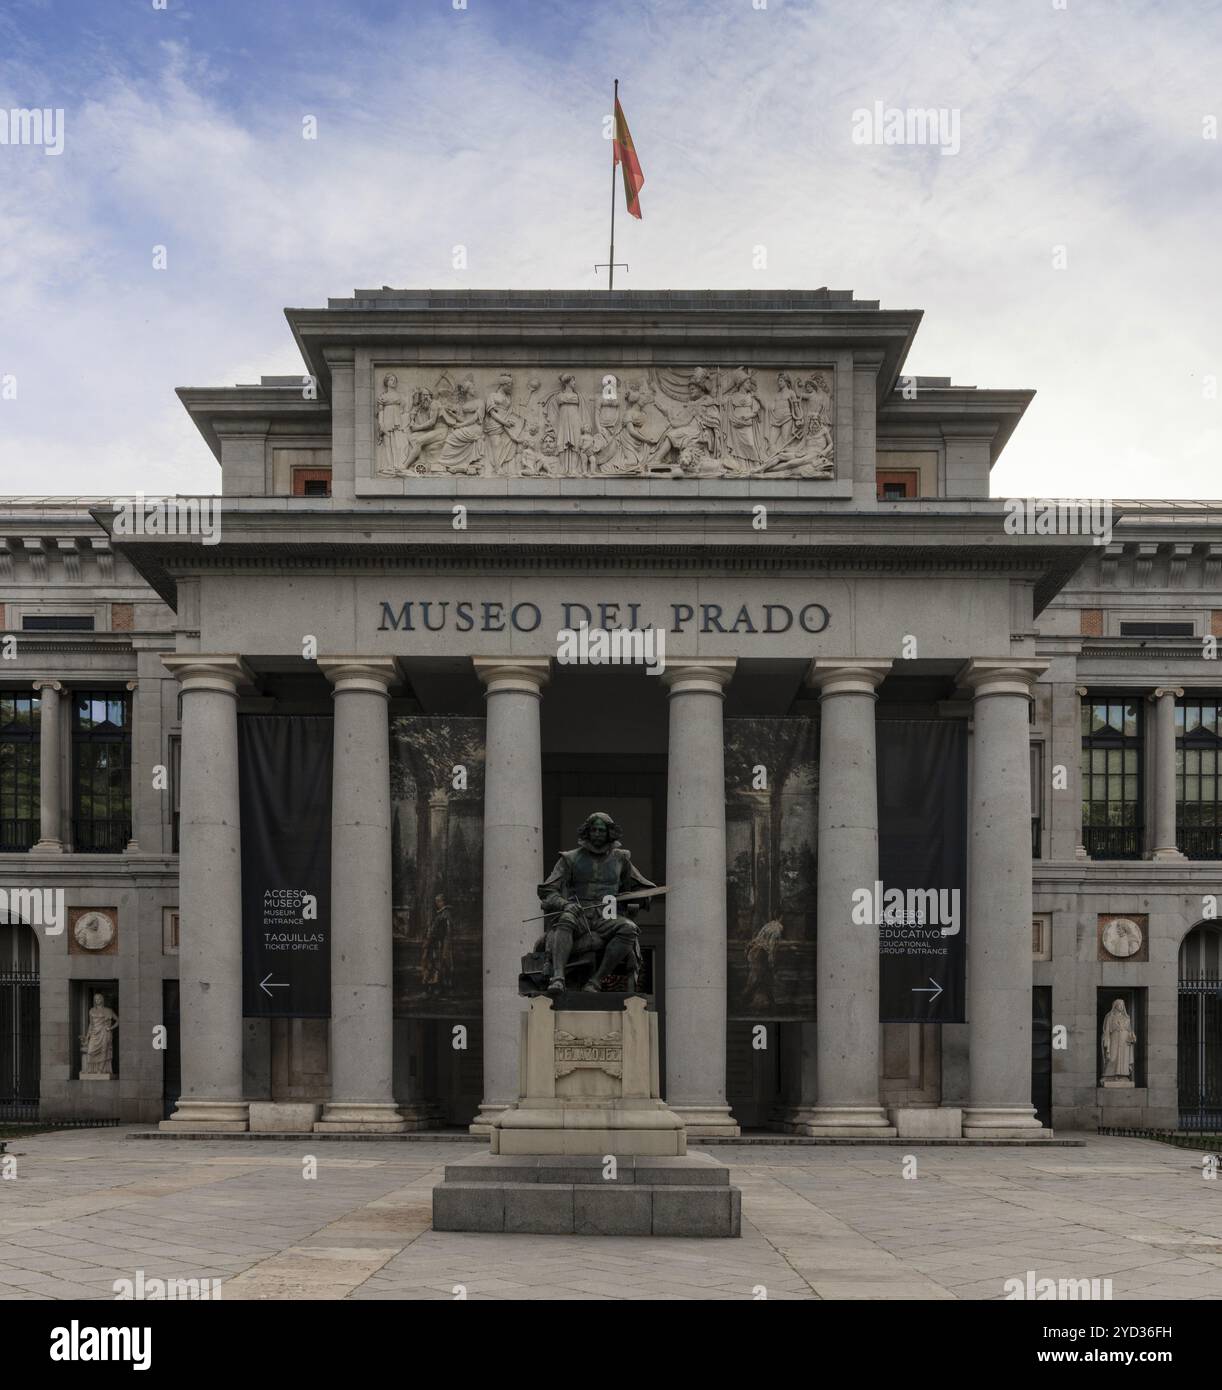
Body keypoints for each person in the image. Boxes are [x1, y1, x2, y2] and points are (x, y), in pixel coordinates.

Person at [536, 811, 655, 994]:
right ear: (587, 832)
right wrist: (564, 904)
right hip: (579, 914)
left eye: (601, 830)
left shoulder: (621, 859)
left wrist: (636, 899)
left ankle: (595, 981)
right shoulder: (570, 858)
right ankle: (558, 978)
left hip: (607, 916)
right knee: (565, 919)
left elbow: (643, 888)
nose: (597, 834)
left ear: (609, 833)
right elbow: (548, 890)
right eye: (594, 830)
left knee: (629, 928)